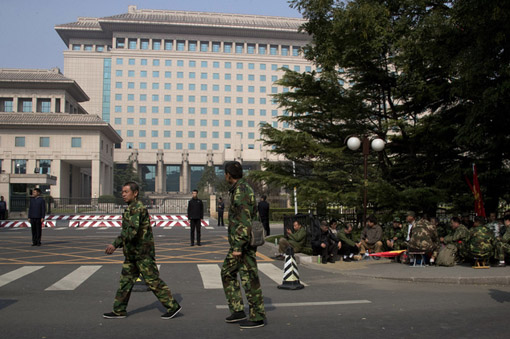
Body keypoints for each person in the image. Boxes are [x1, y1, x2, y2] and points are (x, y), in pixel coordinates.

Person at [103, 182, 181, 319]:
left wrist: (115, 244)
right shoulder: (131, 208)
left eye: (126, 191)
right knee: (125, 282)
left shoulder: (137, 208)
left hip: (142, 254)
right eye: (122, 192)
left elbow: (131, 231)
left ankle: (173, 306)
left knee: (153, 281)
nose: (123, 194)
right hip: (132, 254)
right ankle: (119, 310)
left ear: (135, 193)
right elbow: (127, 231)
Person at [220, 161, 266, 329]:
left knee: (249, 278)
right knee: (228, 273)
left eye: (225, 174)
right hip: (240, 242)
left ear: (228, 175)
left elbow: (244, 222)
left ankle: (257, 316)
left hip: (243, 244)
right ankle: (238, 310)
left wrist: (238, 246)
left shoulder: (241, 191)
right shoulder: (240, 188)